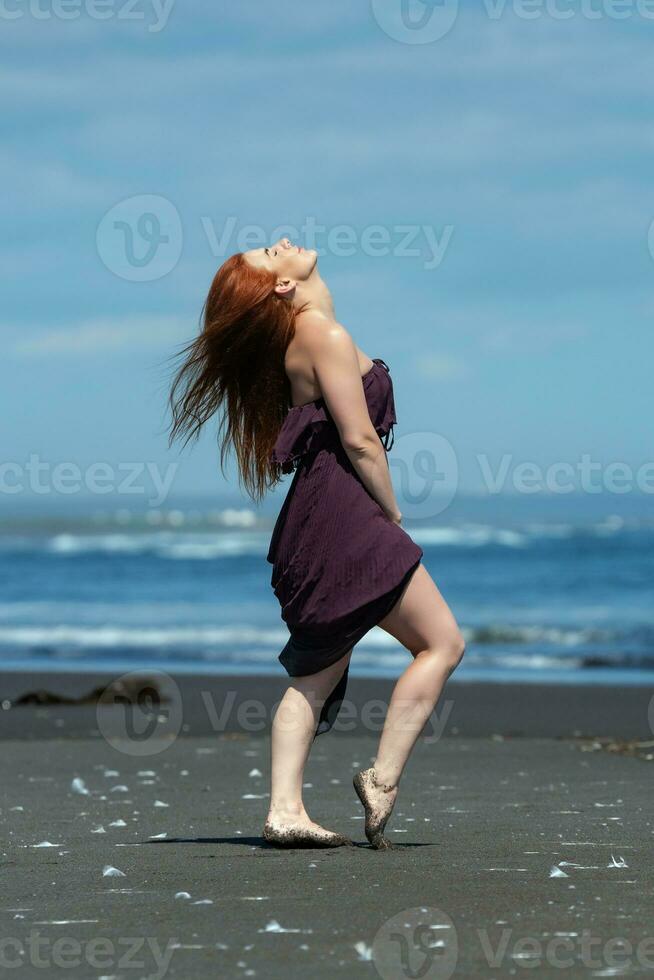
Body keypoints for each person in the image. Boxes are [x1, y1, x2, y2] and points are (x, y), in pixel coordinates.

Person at [168, 236, 465, 850]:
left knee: (317, 672)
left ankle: (286, 809)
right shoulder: (322, 335)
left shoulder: (312, 335)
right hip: (344, 518)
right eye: (268, 254)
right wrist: (394, 514)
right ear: (281, 286)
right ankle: (379, 781)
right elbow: (360, 441)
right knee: (440, 643)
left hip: (321, 518)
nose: (279, 243)